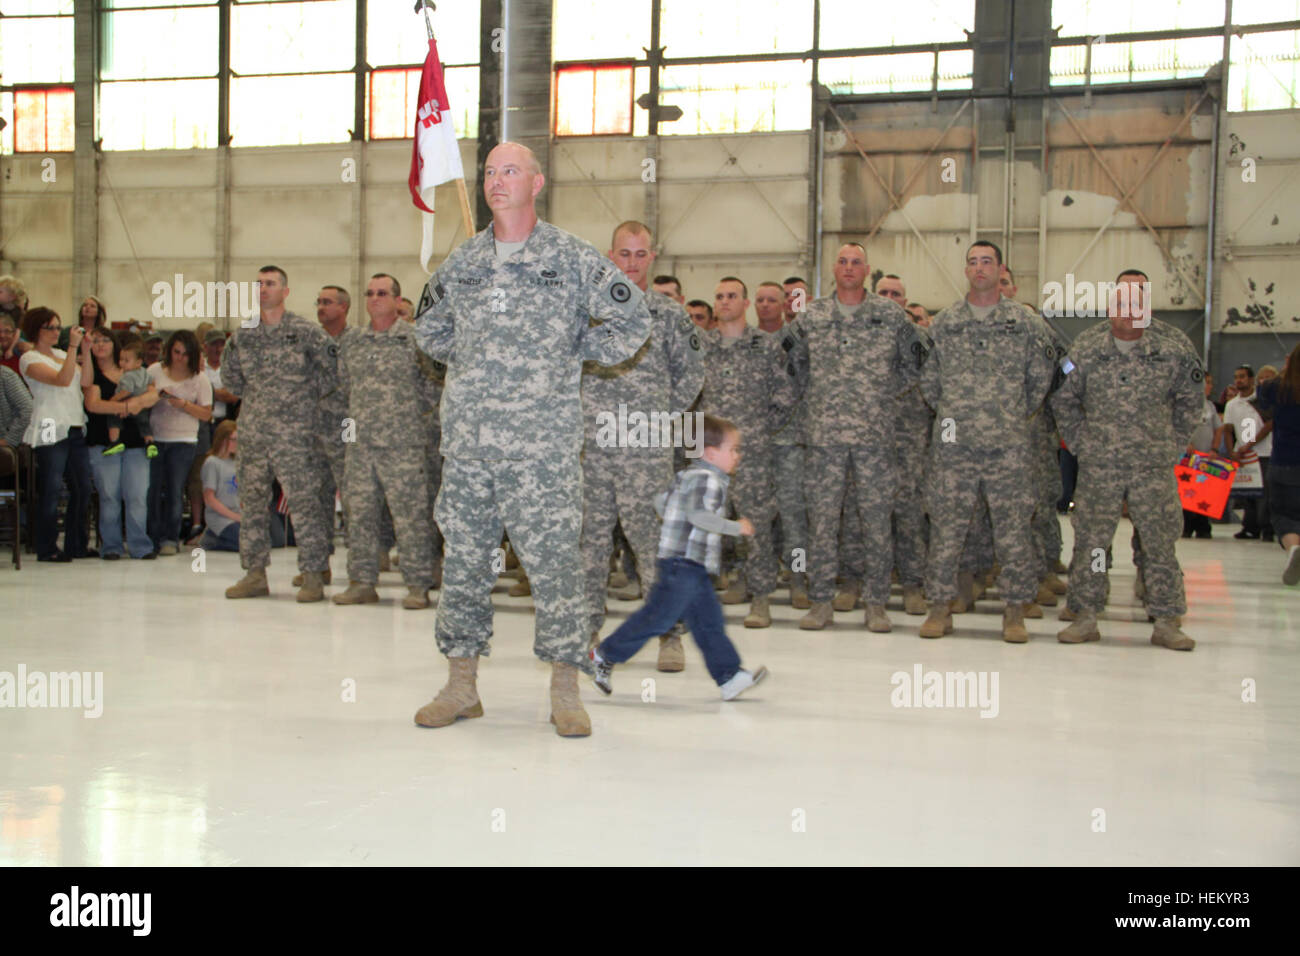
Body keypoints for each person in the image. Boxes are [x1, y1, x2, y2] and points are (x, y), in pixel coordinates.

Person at [412, 141, 650, 738]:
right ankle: (461, 685)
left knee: (554, 569)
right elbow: (428, 329)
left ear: (536, 183)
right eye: (490, 171)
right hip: (468, 449)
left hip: (542, 451)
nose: (497, 180)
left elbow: (633, 319)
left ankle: (565, 690)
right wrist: (471, 367)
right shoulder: (463, 262)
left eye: (509, 170)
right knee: (464, 564)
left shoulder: (570, 258)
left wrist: (574, 353)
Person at [1053, 270, 1203, 650]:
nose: (1128, 311)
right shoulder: (1086, 349)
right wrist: (1081, 443)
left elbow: (1191, 400)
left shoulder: (1172, 350)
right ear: (1110, 306)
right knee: (1094, 544)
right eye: (1121, 302)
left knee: (1159, 542)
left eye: (1137, 303)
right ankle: (1086, 614)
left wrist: (1174, 444)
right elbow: (1063, 398)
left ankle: (1167, 619)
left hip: (1152, 465)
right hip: (1100, 465)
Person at [579, 220, 702, 671]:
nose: (631, 263)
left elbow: (691, 374)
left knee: (654, 544)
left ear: (652, 257)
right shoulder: (587, 311)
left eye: (640, 254)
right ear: (611, 256)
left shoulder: (669, 315)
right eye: (623, 254)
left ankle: (669, 634)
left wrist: (658, 420)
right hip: (591, 449)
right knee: (588, 544)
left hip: (645, 453)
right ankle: (586, 630)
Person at [918, 241, 1054, 642]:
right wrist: (953, 413)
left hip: (1007, 445)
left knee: (1013, 529)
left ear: (1000, 269)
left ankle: (1014, 611)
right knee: (947, 527)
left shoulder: (1025, 323)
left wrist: (1008, 415)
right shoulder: (945, 323)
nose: (979, 269)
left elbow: (1039, 379)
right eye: (973, 262)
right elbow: (929, 379)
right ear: (966, 271)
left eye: (987, 262)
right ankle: (939, 607)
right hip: (954, 447)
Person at [590, 415, 769, 700]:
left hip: (687, 564)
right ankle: (603, 654)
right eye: (733, 449)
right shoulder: (708, 480)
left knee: (708, 622)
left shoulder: (687, 475)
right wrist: (736, 527)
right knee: (659, 619)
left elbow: (660, 503)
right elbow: (699, 516)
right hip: (682, 564)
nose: (738, 456)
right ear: (710, 453)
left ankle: (729, 677)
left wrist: (675, 516)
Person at [222, 265, 339, 602]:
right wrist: (263, 400)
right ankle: (255, 573)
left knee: (304, 503)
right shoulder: (244, 333)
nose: (263, 289)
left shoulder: (305, 331)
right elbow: (231, 378)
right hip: (254, 433)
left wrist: (302, 399)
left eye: (270, 284)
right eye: (258, 284)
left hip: (296, 434)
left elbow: (333, 370)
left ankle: (314, 574)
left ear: (285, 292)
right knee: (253, 504)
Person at [332, 273, 440, 610]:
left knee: (411, 518)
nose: (375, 298)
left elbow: (433, 387)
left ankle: (418, 585)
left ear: (397, 300)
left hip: (403, 445)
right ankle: (362, 581)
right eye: (370, 293)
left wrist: (409, 418)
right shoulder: (352, 341)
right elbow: (344, 385)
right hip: (361, 447)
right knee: (359, 516)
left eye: (382, 293)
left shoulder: (415, 339)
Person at [702, 276, 796, 628]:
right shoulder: (702, 346)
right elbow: (689, 395)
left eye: (732, 296)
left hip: (750, 453)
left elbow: (785, 398)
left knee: (754, 525)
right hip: (708, 453)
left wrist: (755, 432)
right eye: (719, 296)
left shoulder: (766, 346)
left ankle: (760, 598)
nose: (725, 302)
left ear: (745, 304)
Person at [18, 308, 94, 561]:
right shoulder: (29, 359)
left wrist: (84, 350)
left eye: (57, 327)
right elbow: (61, 380)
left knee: (83, 487)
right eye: (49, 327)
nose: (55, 332)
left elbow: (85, 381)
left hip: (73, 423)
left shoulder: (63, 354)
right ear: (36, 330)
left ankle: (77, 544)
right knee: (51, 486)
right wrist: (73, 348)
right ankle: (47, 546)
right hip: (49, 424)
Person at [81, 329, 159, 560]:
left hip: (136, 441)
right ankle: (112, 546)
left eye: (106, 339)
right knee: (109, 496)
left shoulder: (134, 370)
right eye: (95, 341)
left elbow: (153, 395)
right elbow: (93, 404)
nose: (101, 344)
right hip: (103, 442)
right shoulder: (91, 374)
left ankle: (140, 545)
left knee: (136, 495)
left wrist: (137, 401)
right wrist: (125, 407)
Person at [146, 329, 213, 555]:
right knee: (153, 488)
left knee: (175, 489)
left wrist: (183, 404)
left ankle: (170, 538)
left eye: (185, 354)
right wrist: (155, 396)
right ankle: (152, 536)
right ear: (169, 351)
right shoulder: (154, 371)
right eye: (176, 352)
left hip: (183, 440)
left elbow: (206, 414)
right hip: (155, 437)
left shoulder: (200, 379)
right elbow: (141, 399)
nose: (179, 358)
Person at [1252, 345, 1300, 585]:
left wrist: (1286, 372)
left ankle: (1293, 547)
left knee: (1283, 514)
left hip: (1284, 461)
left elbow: (1260, 397)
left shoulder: (1278, 387)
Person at [1222, 364, 1274, 541]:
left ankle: (1267, 528)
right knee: (1247, 494)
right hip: (1242, 455)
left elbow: (1269, 424)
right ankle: (1249, 527)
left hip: (1262, 453)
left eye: (1243, 376)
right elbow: (1228, 430)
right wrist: (1232, 452)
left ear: (1251, 380)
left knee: (1264, 495)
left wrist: (1251, 443)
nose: (1239, 380)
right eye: (1236, 377)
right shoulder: (1231, 405)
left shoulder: (1262, 400)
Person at [102, 338, 157, 458]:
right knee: (144, 424)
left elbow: (126, 391)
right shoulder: (144, 371)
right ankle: (150, 443)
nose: (122, 363)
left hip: (127, 403)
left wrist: (113, 400)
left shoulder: (127, 376)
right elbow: (152, 383)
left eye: (126, 360)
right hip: (142, 407)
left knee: (112, 417)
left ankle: (115, 441)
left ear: (138, 362)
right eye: (121, 359)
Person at [1183, 371, 1220, 538]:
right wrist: (1186, 443)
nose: (1209, 386)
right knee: (1188, 493)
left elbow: (1218, 429)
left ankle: (1203, 526)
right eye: (1207, 382)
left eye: (1211, 382)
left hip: (1206, 457)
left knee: (1204, 493)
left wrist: (1215, 448)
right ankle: (1187, 525)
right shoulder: (1186, 404)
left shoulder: (1210, 406)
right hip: (1189, 458)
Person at [200, 420, 241, 552]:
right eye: (234, 439)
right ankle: (212, 539)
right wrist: (233, 516)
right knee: (245, 545)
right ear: (223, 439)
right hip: (220, 518)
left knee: (265, 541)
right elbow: (209, 498)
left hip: (237, 514)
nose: (237, 444)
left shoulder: (235, 462)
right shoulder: (212, 463)